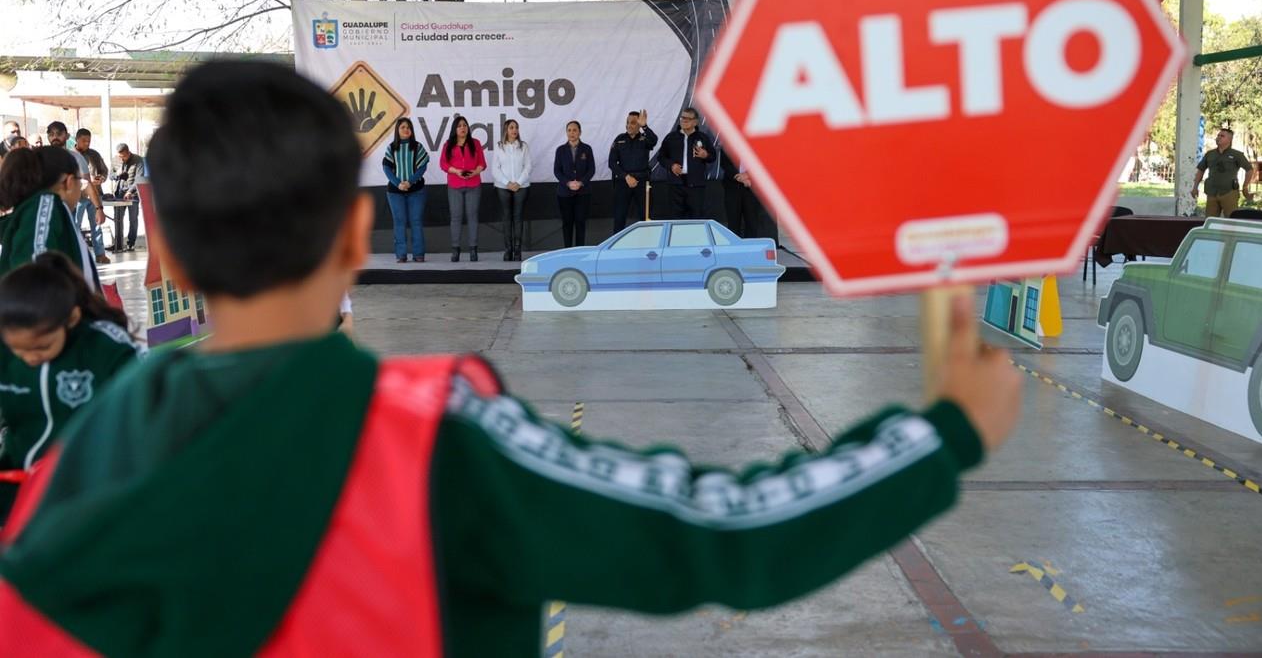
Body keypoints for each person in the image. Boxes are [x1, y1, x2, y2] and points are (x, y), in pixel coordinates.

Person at [0, 61, 1022, 657]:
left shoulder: (64, 480)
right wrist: (941, 431)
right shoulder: (436, 436)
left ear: (165, 251)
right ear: (357, 240)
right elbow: (723, 532)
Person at [0, 253, 143, 523]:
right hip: (19, 486)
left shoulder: (105, 348)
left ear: (72, 319)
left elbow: (140, 412)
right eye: (18, 350)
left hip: (88, 489)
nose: (30, 357)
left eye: (42, 346)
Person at [0, 147, 99, 290]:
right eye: (80, 181)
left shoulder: (44, 208)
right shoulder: (45, 204)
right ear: (69, 182)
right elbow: (34, 270)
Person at [45, 122, 108, 266]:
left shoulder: (75, 158)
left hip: (69, 208)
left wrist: (99, 208)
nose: (55, 137)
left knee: (72, 237)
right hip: (45, 210)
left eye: (59, 134)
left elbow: (86, 184)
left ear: (66, 136)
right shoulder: (40, 156)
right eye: (51, 134)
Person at [382, 117, 429, 264]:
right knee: (399, 222)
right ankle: (401, 255)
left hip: (416, 190)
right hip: (395, 192)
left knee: (416, 221)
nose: (406, 129)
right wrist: (398, 183)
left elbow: (423, 167)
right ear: (397, 130)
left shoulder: (418, 147)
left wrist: (410, 182)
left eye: (408, 127)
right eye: (402, 127)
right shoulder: (391, 147)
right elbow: (386, 168)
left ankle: (419, 254)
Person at [440, 115, 486, 262]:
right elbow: (443, 164)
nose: (462, 128)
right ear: (455, 129)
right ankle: (455, 249)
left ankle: (473, 249)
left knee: (472, 216)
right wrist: (457, 171)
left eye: (464, 125)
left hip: (473, 184)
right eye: (459, 125)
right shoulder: (448, 144)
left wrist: (475, 172)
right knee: (456, 217)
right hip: (455, 184)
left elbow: (482, 163)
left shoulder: (476, 143)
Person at [658, 107, 717, 219]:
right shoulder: (671, 137)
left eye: (688, 119)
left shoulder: (703, 138)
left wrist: (706, 155)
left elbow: (713, 157)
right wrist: (671, 165)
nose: (684, 121)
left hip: (696, 186)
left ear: (695, 122)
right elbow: (661, 157)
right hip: (676, 185)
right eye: (682, 118)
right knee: (675, 218)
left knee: (696, 218)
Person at [608, 109, 658, 233]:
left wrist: (645, 126)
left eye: (633, 123)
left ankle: (646, 245)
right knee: (619, 217)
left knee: (645, 216)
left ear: (639, 125)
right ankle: (617, 248)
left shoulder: (644, 139)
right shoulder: (619, 139)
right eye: (628, 122)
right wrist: (626, 177)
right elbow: (612, 163)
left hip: (642, 182)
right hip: (623, 182)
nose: (629, 125)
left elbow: (654, 140)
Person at [491, 119, 531, 261]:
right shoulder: (499, 146)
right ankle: (508, 249)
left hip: (521, 187)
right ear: (506, 130)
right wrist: (507, 183)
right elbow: (495, 168)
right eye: (511, 127)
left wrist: (518, 183)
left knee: (518, 218)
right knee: (507, 218)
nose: (514, 130)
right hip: (503, 187)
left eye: (516, 127)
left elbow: (528, 167)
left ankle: (518, 250)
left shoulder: (523, 146)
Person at [1193, 128, 1254, 218]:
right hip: (1212, 193)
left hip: (1229, 192)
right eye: (1218, 135)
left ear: (1229, 140)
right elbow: (1201, 170)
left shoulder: (1237, 155)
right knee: (1210, 220)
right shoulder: (1210, 154)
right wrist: (1195, 187)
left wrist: (1245, 187)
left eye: (1222, 136)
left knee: (1231, 220)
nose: (1218, 137)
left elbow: (1249, 170)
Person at [721, 148, 778, 241]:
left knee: (751, 221)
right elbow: (724, 163)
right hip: (732, 187)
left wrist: (748, 175)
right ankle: (734, 249)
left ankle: (750, 248)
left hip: (752, 187)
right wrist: (739, 177)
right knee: (733, 221)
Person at [73, 129, 111, 265]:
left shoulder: (94, 154)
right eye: (84, 141)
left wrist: (101, 178)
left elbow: (104, 170)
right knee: (74, 226)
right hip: (79, 196)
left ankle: (100, 254)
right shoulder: (70, 155)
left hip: (95, 195)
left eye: (89, 141)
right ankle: (75, 256)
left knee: (97, 225)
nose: (87, 143)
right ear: (76, 139)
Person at [554, 119, 595, 247]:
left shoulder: (587, 149)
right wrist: (568, 183)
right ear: (566, 132)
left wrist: (581, 183)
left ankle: (579, 251)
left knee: (580, 222)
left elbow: (591, 169)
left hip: (583, 192)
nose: (572, 133)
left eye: (575, 130)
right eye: (569, 130)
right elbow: (557, 171)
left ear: (580, 132)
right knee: (567, 223)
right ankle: (567, 251)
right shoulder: (560, 150)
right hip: (564, 193)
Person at [109, 143, 143, 253]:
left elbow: (139, 178)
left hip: (133, 195)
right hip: (118, 194)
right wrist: (117, 175)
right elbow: (110, 176)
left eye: (123, 156)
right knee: (118, 219)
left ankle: (130, 243)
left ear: (128, 152)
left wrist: (130, 191)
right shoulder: (115, 160)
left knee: (133, 219)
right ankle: (118, 243)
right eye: (120, 156)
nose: (121, 158)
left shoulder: (138, 160)